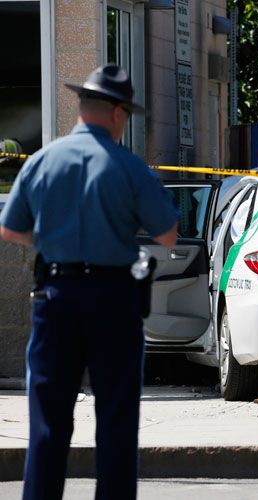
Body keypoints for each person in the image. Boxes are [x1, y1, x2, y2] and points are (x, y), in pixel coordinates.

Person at [0, 65, 179, 500]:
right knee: (116, 419)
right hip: (113, 299)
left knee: (48, 422)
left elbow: (10, 228)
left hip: (55, 296)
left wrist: (51, 239)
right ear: (118, 113)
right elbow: (168, 235)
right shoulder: (129, 167)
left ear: (82, 108)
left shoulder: (42, 161)